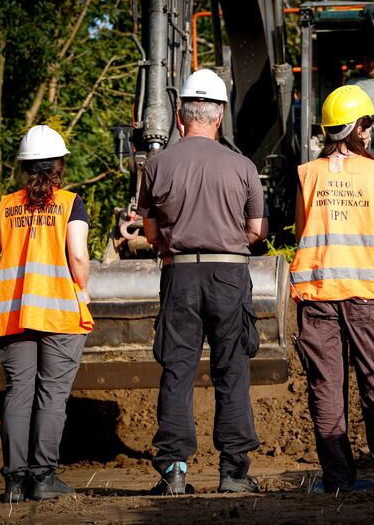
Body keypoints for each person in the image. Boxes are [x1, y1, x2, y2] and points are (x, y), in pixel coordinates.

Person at [136, 68, 267, 495]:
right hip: (229, 276)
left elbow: (150, 233)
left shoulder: (156, 165)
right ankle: (234, 473)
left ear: (180, 116)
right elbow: (257, 230)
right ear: (220, 116)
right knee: (232, 369)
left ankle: (174, 472)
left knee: (177, 370)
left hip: (179, 275)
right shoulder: (243, 167)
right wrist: (228, 239)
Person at [290, 84, 374, 493]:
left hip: (317, 295)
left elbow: (300, 232)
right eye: (368, 124)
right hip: (364, 294)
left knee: (326, 386)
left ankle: (337, 478)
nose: (370, 131)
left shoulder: (306, 174)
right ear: (358, 128)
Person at [0, 125, 94, 502]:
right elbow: (78, 255)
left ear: (24, 167)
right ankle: (43, 478)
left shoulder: (5, 205)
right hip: (60, 313)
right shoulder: (70, 203)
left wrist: (14, 283)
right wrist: (81, 287)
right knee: (52, 393)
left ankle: (14, 482)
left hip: (15, 314)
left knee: (18, 393)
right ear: (60, 165)